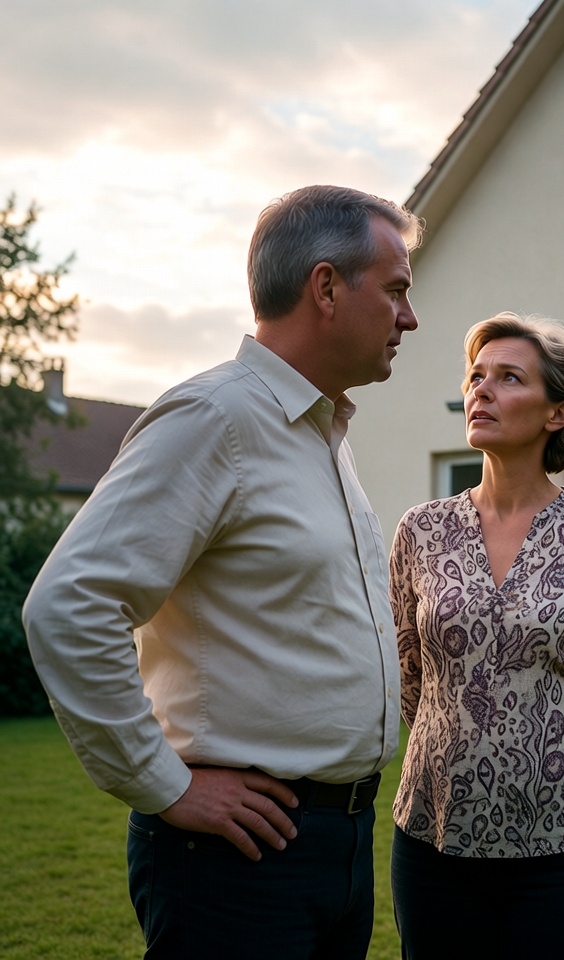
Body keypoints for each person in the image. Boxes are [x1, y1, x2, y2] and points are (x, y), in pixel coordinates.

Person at [23, 184, 423, 959]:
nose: (410, 317)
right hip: (240, 858)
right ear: (327, 288)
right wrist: (165, 786)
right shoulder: (217, 418)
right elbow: (69, 606)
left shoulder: (323, 436)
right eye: (399, 290)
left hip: (339, 843)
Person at [388, 311, 564, 960]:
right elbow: (409, 678)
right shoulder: (420, 531)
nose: (480, 390)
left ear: (556, 413)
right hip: (436, 843)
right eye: (476, 376)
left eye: (508, 378)